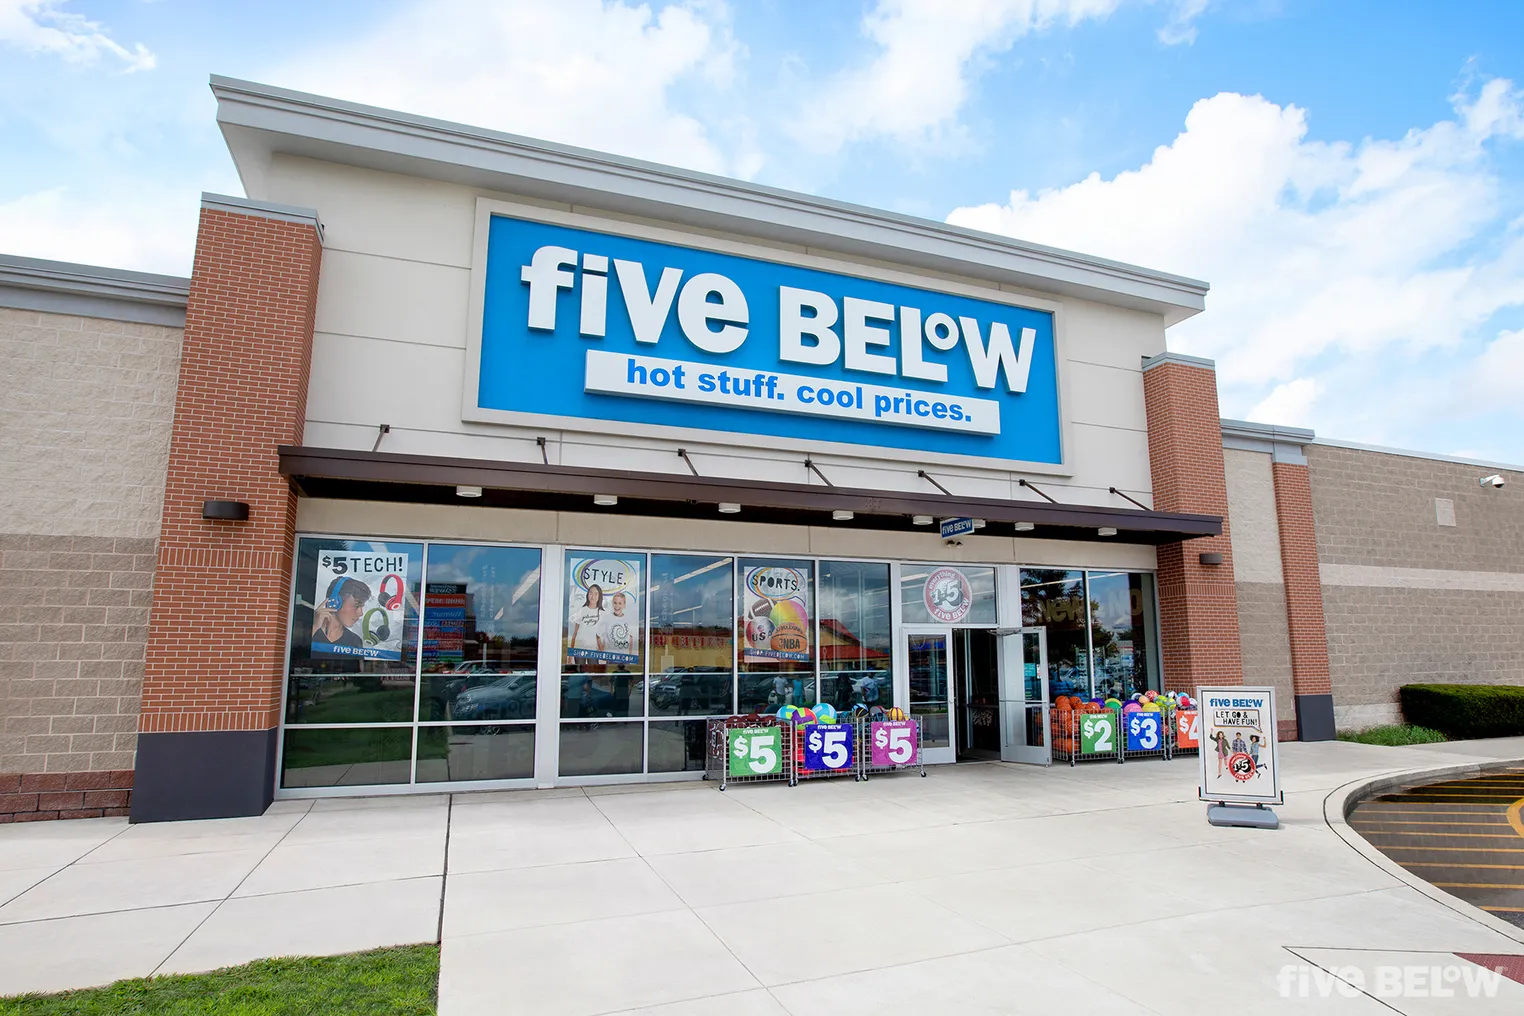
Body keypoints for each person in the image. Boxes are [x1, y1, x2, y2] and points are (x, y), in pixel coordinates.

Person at [313, 576, 370, 651]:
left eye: (362, 607)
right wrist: (315, 627)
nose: (361, 613)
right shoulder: (306, 628)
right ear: (335, 602)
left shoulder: (355, 641)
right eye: (356, 606)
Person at [569, 584, 605, 656]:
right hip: (579, 648)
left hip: (593, 649)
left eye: (596, 594)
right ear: (587, 594)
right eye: (590, 593)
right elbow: (575, 632)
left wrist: (602, 651)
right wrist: (570, 654)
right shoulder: (581, 610)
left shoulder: (602, 613)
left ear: (599, 596)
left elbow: (600, 636)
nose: (593, 596)